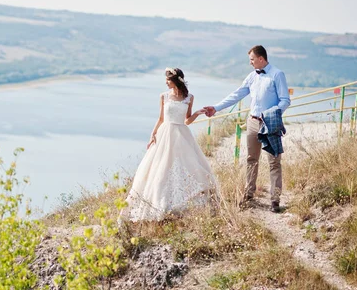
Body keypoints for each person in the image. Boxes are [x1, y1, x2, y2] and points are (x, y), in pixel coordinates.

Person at [121, 67, 218, 222]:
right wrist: (153, 134)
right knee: (160, 166)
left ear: (176, 80)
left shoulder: (189, 97)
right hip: (165, 133)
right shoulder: (163, 96)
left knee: (184, 164)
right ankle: (160, 201)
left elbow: (187, 120)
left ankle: (182, 200)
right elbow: (161, 118)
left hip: (181, 134)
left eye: (168, 80)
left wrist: (196, 113)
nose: (166, 82)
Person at [203, 45, 291, 213]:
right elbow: (237, 94)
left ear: (261, 59)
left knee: (274, 162)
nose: (250, 63)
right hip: (252, 122)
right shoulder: (252, 77)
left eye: (252, 59)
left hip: (270, 123)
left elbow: (285, 100)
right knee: (251, 159)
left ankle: (275, 200)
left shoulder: (277, 74)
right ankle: (249, 194)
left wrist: (273, 114)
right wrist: (216, 107)